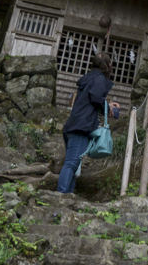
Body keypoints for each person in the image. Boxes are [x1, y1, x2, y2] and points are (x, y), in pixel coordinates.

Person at [57, 51, 120, 193]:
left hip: (74, 124)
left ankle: (67, 196)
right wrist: (107, 107)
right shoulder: (99, 79)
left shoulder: (89, 79)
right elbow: (97, 98)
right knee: (72, 164)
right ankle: (61, 196)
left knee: (74, 163)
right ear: (108, 65)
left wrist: (107, 105)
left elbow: (93, 98)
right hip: (81, 127)